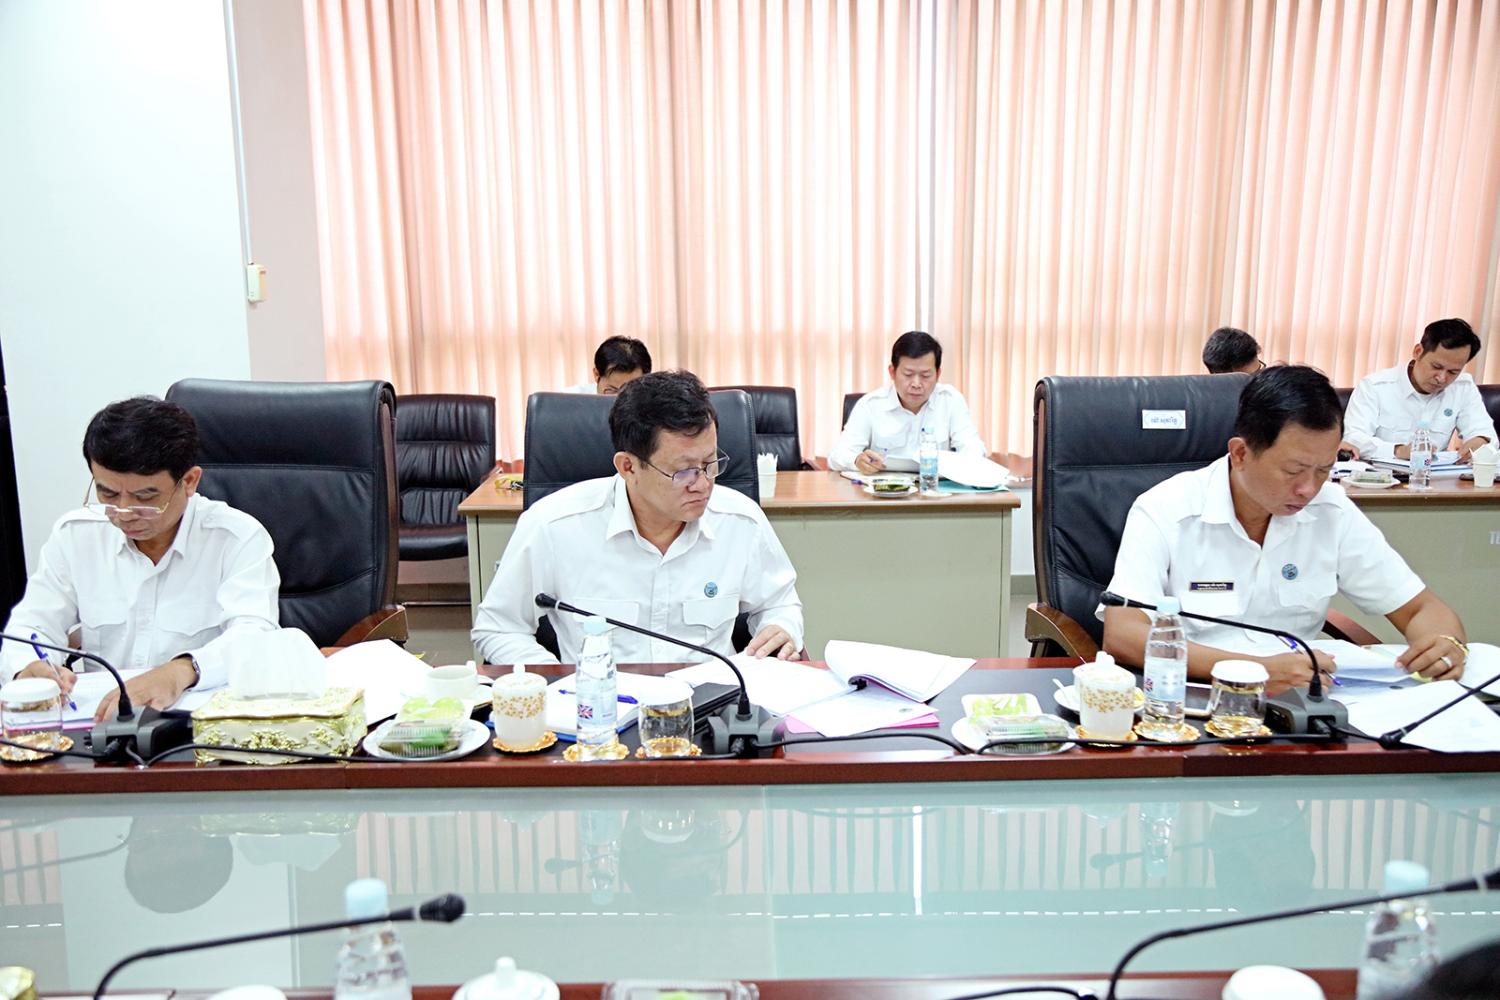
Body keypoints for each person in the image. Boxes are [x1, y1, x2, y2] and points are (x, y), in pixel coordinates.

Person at [1099, 365, 1467, 695]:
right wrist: (1253, 671)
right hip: (1195, 700)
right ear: (1240, 454)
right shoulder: (1166, 509)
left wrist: (1445, 644)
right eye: (1293, 471)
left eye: (1323, 470)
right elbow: (1124, 634)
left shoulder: (1332, 511)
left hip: (1306, 704)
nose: (1309, 488)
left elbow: (1421, 609)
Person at [472, 370, 803, 665]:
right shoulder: (553, 526)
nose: (703, 484)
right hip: (601, 707)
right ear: (628, 467)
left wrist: (781, 627)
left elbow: (779, 604)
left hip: (709, 703)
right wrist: (561, 683)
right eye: (684, 471)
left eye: (710, 463)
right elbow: (499, 628)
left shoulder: (741, 521)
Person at [0, 397, 279, 720]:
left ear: (189, 481)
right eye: (107, 493)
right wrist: (28, 667)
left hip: (200, 727)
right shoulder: (76, 535)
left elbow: (255, 636)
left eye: (145, 497)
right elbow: (31, 625)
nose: (124, 512)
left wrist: (180, 671)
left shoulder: (236, 538)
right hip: (101, 724)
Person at [829, 331, 987, 474]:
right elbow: (837, 456)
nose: (916, 384)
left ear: (938, 374)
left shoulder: (950, 400)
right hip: (884, 493)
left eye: (925, 375)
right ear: (892, 372)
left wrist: (966, 462)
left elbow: (972, 448)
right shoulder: (870, 405)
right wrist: (857, 460)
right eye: (908, 374)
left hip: (934, 490)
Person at [1342, 318, 1496, 462]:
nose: (1442, 378)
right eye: (1436, 367)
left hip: (1435, 478)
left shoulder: (1463, 387)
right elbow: (1353, 438)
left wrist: (1480, 442)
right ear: (1417, 352)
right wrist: (1399, 451)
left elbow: (1486, 434)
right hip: (1380, 476)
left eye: (1453, 372)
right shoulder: (1375, 386)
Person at [562, 336, 653, 395]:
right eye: (612, 391)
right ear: (596, 374)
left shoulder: (654, 403)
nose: (619, 401)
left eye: (630, 392)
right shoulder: (569, 399)